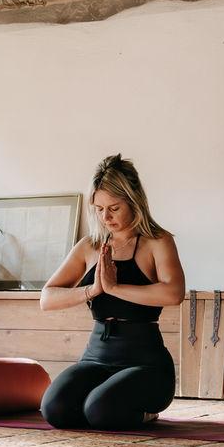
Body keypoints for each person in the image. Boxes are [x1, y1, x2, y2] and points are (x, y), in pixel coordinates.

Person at [38, 155, 187, 430]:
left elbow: (174, 293)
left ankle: (146, 413)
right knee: (54, 409)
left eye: (114, 208)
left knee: (101, 411)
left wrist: (115, 288)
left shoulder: (157, 242)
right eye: (99, 209)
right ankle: (102, 404)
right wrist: (93, 290)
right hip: (96, 359)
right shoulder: (90, 246)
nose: (105, 217)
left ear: (133, 201)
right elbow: (47, 298)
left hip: (146, 365)